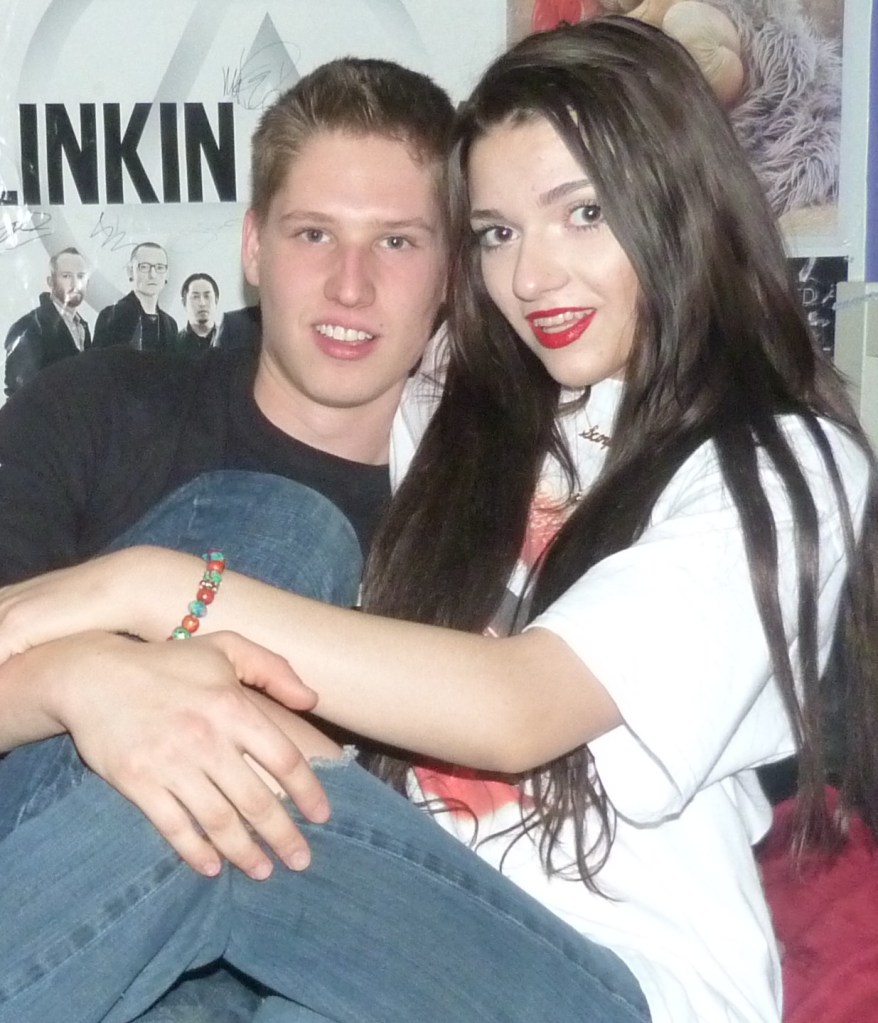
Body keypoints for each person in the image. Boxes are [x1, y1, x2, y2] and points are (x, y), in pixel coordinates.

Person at [1, 16, 877, 1023]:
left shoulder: (783, 465)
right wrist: (118, 690)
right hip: (392, 933)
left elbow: (518, 709)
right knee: (264, 568)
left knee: (231, 801)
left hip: (611, 982)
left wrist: (148, 587)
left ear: (681, 200)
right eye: (498, 233)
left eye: (582, 212)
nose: (532, 275)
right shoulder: (469, 414)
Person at [0, 56, 452, 1022]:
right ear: (253, 246)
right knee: (282, 529)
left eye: (397, 241)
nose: (351, 284)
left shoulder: (488, 517)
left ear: (451, 269)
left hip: (298, 969)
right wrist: (80, 681)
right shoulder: (98, 408)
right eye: (313, 233)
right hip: (48, 911)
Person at [3, 246, 92, 396]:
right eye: (66, 276)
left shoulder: (82, 327)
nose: (75, 284)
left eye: (80, 276)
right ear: (51, 281)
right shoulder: (28, 327)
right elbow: (19, 396)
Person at [92, 242, 178, 350]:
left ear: (167, 274)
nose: (153, 275)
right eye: (144, 267)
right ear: (130, 271)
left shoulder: (170, 325)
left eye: (159, 268)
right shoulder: (111, 317)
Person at [175, 271, 220, 353]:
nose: (202, 303)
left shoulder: (229, 342)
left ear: (216, 300)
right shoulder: (173, 345)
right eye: (195, 297)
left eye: (207, 296)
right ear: (184, 302)